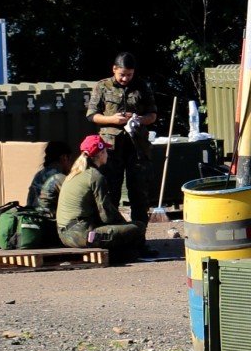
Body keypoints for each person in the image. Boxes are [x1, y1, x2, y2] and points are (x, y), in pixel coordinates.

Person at [87, 51, 158, 227]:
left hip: (137, 146)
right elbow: (91, 115)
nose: (125, 78)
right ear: (114, 69)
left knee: (139, 193)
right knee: (110, 191)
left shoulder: (141, 86)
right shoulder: (102, 86)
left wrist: (140, 119)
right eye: (122, 75)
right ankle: (112, 234)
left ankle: (139, 237)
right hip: (111, 148)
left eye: (129, 75)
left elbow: (153, 114)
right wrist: (112, 120)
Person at [56, 135, 146, 262]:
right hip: (81, 234)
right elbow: (106, 215)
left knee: (122, 231)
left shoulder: (75, 173)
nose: (108, 155)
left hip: (65, 234)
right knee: (138, 228)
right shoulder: (95, 176)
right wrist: (125, 224)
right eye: (105, 151)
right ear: (101, 153)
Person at [24, 137, 76, 245]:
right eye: (70, 159)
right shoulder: (58, 177)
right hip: (47, 226)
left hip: (34, 222)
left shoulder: (41, 174)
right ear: (64, 157)